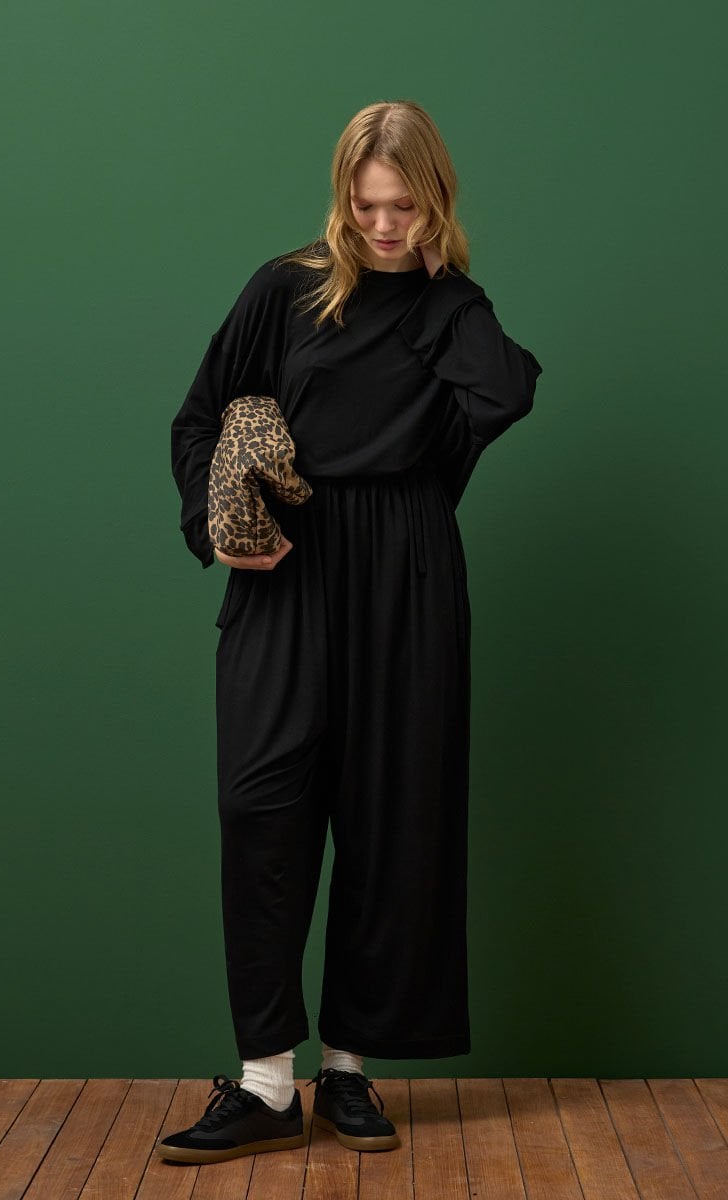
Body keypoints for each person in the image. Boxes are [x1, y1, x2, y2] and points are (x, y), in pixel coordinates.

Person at [158, 100, 543, 1166]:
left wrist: (444, 287)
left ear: (436, 201)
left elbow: (503, 391)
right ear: (341, 195)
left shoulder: (450, 307)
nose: (381, 226)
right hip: (287, 562)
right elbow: (198, 417)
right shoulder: (283, 289)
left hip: (406, 572)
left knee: (389, 813)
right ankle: (265, 1084)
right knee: (260, 805)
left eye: (404, 207)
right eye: (366, 204)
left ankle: (347, 1071)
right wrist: (216, 530)